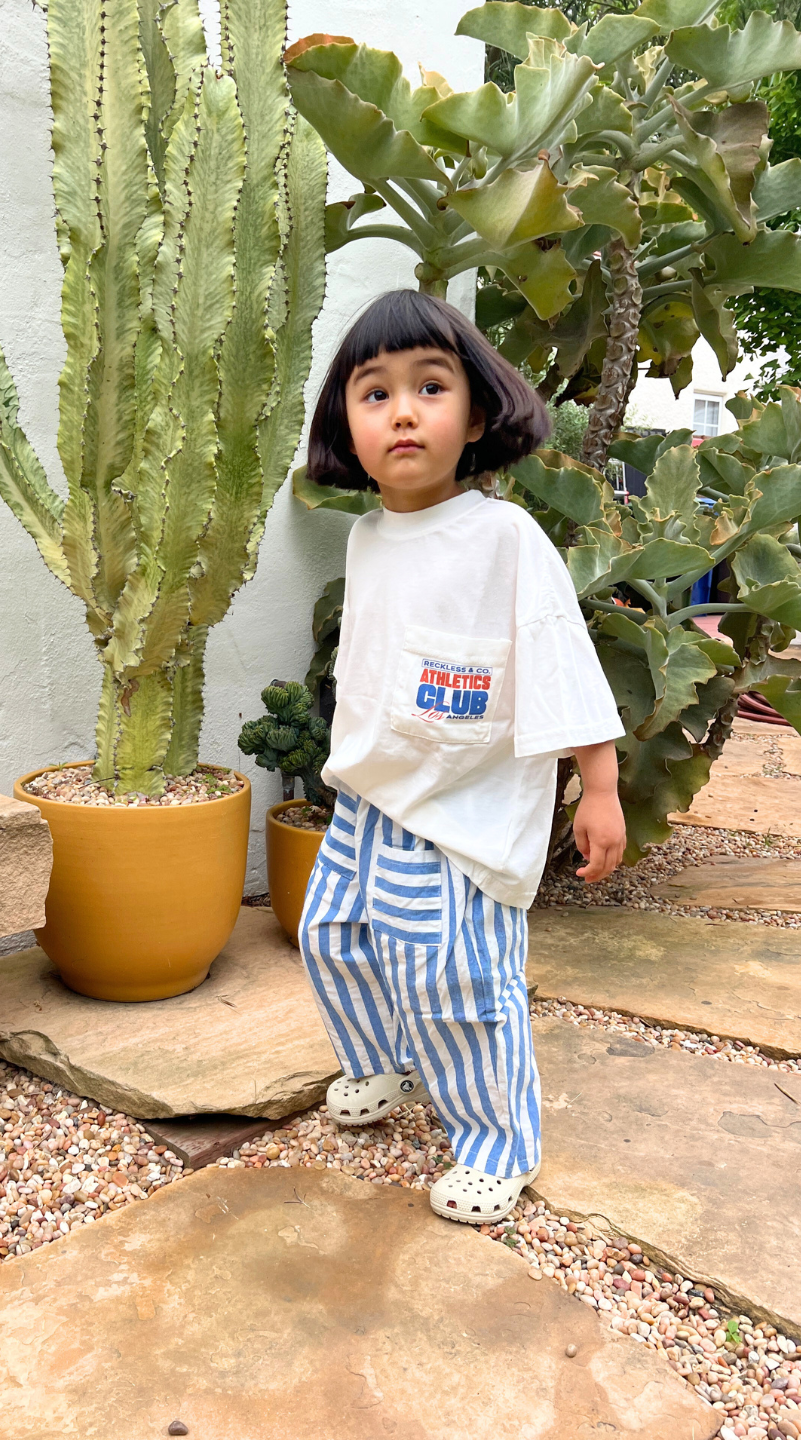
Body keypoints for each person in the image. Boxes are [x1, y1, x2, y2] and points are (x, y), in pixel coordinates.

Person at [298, 289, 626, 1225]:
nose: (403, 411)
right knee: (339, 941)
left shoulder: (504, 538)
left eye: (429, 386)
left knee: (455, 978)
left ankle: (496, 1139)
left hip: (461, 811)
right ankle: (384, 1063)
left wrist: (596, 786)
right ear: (346, 427)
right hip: (369, 799)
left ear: (476, 413)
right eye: (375, 393)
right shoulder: (367, 538)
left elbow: (560, 660)